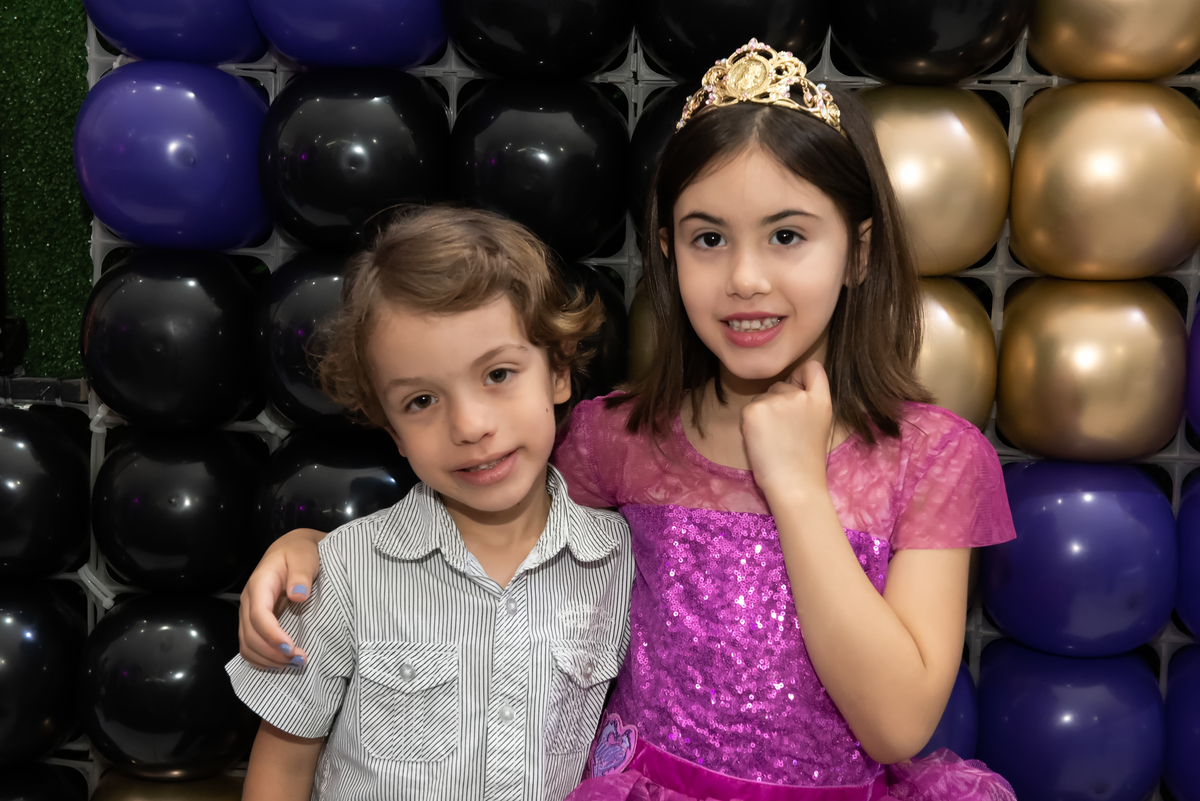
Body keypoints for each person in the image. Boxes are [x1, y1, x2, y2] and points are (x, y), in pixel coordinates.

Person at [238, 42, 1018, 801]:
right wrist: (313, 552)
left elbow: (896, 724)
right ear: (669, 253)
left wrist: (797, 486)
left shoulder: (933, 457)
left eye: (787, 235)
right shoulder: (612, 436)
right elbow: (488, 543)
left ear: (858, 250)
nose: (746, 277)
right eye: (708, 238)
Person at [226, 206, 635, 801]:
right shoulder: (342, 574)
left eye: (498, 374)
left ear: (558, 372)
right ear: (391, 430)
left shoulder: (623, 566)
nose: (469, 426)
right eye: (421, 401)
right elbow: (282, 771)